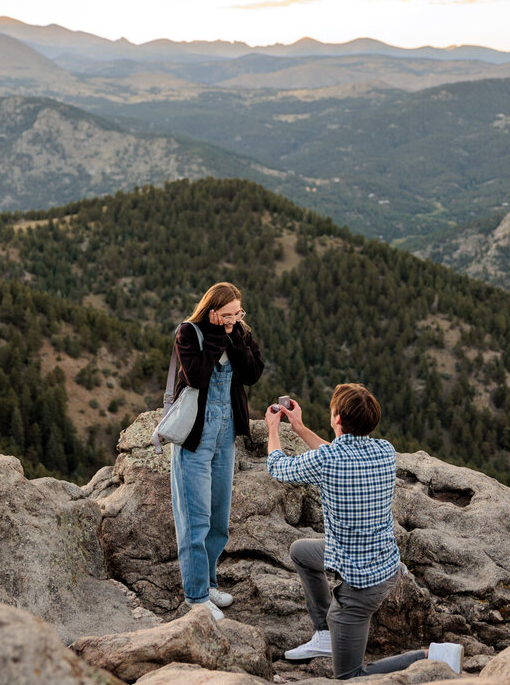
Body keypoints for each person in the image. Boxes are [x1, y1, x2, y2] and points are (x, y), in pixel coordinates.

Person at [264, 383, 464, 679]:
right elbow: (335, 454)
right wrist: (300, 427)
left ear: (337, 420)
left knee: (350, 676)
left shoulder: (329, 461)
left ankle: (433, 655)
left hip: (360, 586)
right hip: (384, 563)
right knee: (302, 552)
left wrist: (273, 429)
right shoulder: (384, 451)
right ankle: (324, 634)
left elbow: (277, 465)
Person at [171, 282, 264, 620]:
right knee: (194, 520)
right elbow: (196, 376)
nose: (233, 319)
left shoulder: (239, 332)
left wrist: (234, 335)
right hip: (196, 436)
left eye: (238, 313)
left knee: (218, 518)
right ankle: (195, 598)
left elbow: (252, 373)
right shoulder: (189, 332)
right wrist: (214, 333)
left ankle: (208, 583)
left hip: (225, 435)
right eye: (226, 314)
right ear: (211, 310)